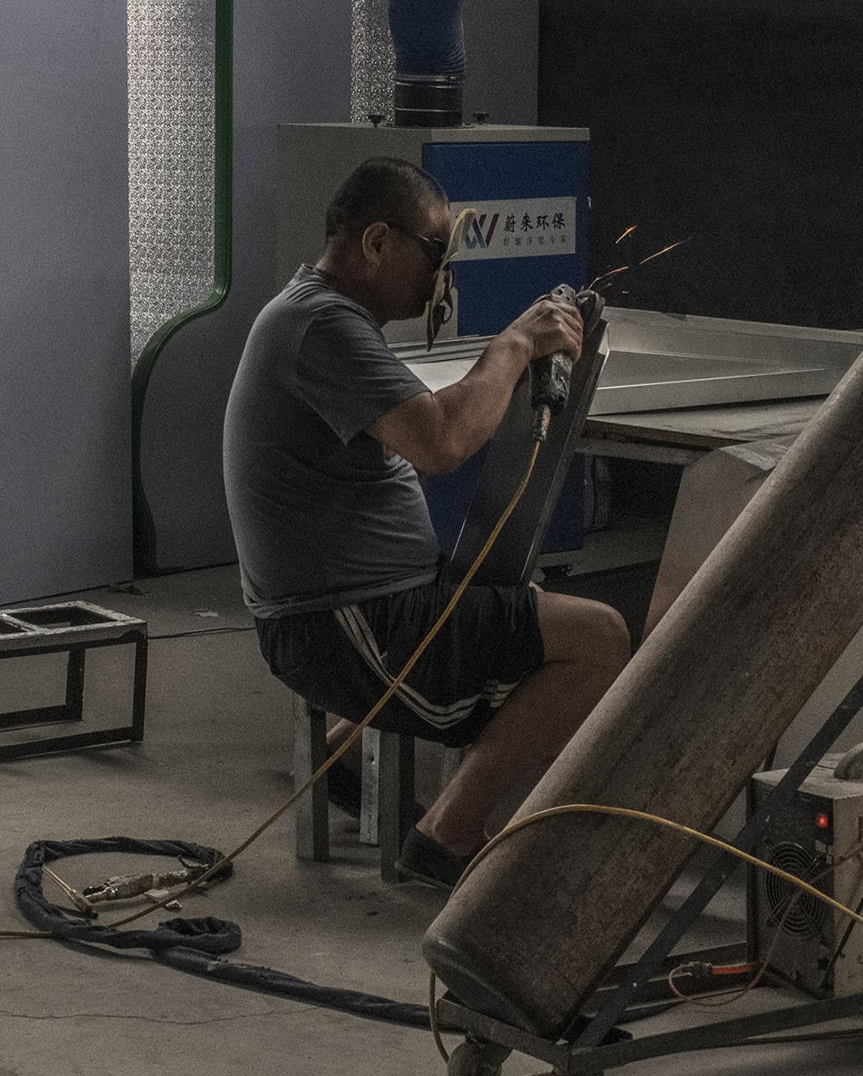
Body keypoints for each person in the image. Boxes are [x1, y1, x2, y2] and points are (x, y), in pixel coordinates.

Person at [225, 155, 623, 887]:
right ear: (378, 243)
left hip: (348, 613)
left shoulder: (317, 314)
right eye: (434, 252)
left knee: (507, 589)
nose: (441, 273)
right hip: (344, 626)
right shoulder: (322, 326)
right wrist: (511, 348)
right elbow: (439, 441)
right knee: (599, 638)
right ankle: (448, 835)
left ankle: (344, 758)